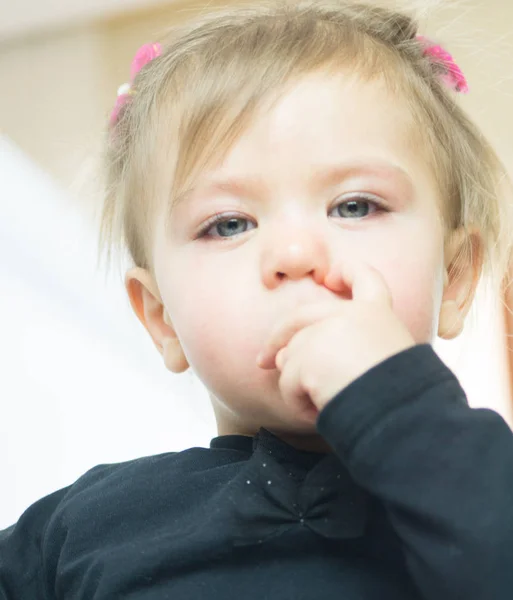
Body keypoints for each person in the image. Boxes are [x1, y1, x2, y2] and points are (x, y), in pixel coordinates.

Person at [2, 0, 513, 598]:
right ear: (162, 318)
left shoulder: (486, 487)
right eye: (228, 224)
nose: (295, 254)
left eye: (355, 206)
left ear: (453, 279)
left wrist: (394, 398)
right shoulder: (81, 528)